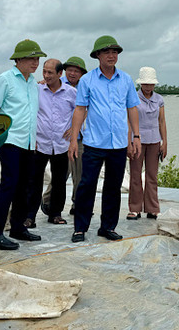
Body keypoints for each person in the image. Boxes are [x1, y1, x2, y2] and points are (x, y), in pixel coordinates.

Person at [68, 36, 140, 243]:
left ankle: (108, 227)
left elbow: (132, 108)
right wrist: (74, 139)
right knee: (87, 185)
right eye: (107, 52)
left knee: (113, 187)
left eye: (115, 52)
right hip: (93, 143)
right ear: (97, 55)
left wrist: (136, 136)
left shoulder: (125, 80)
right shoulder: (88, 80)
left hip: (118, 143)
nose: (112, 56)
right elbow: (80, 109)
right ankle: (80, 228)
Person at [0, 39, 47, 251]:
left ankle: (18, 227)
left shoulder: (32, 83)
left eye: (37, 59)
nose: (35, 63)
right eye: (31, 58)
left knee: (25, 187)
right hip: (10, 142)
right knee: (8, 186)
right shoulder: (5, 80)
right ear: (18, 59)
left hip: (29, 142)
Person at [27, 58, 77, 227]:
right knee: (34, 181)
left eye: (50, 72)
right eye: (44, 72)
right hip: (40, 142)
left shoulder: (70, 92)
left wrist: (74, 128)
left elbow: (82, 110)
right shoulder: (37, 89)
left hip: (61, 144)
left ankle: (55, 214)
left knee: (59, 181)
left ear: (59, 74)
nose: (46, 75)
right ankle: (29, 216)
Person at [41, 56, 87, 216]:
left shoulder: (84, 88)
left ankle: (77, 204)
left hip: (79, 138)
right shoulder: (54, 85)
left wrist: (76, 127)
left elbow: (85, 109)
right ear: (63, 72)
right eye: (70, 70)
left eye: (76, 71)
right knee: (60, 174)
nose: (73, 73)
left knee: (79, 173)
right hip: (60, 140)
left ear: (81, 74)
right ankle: (47, 202)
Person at [127, 67, 167, 220]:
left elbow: (162, 121)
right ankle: (135, 208)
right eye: (145, 83)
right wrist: (129, 142)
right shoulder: (133, 98)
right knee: (135, 174)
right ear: (141, 83)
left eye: (151, 84)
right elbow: (129, 122)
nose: (148, 86)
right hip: (138, 139)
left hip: (154, 140)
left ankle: (152, 208)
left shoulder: (159, 99)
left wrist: (165, 142)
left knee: (152, 174)